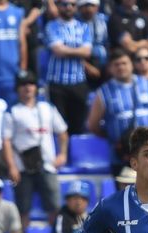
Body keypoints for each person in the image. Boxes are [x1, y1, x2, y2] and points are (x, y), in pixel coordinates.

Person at [2, 70, 69, 229]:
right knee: (22, 210)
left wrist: (63, 154)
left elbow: (63, 132)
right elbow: (6, 141)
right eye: (23, 85)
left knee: (55, 207)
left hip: (47, 165)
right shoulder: (12, 111)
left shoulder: (48, 108)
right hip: (22, 168)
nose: (27, 88)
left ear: (36, 87)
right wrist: (12, 166)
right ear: (17, 88)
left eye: (31, 84)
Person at [87, 48, 148, 179]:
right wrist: (114, 137)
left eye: (124, 63)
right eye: (116, 64)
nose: (121, 67)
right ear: (110, 68)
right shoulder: (103, 92)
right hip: (123, 155)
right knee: (126, 195)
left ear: (131, 64)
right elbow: (93, 125)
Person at [44, 0, 92, 135]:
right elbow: (57, 51)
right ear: (58, 6)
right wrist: (78, 50)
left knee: (79, 124)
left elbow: (87, 52)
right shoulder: (51, 26)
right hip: (57, 83)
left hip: (78, 82)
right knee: (59, 127)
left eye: (72, 4)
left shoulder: (84, 27)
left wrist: (66, 49)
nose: (69, 7)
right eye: (65, 4)